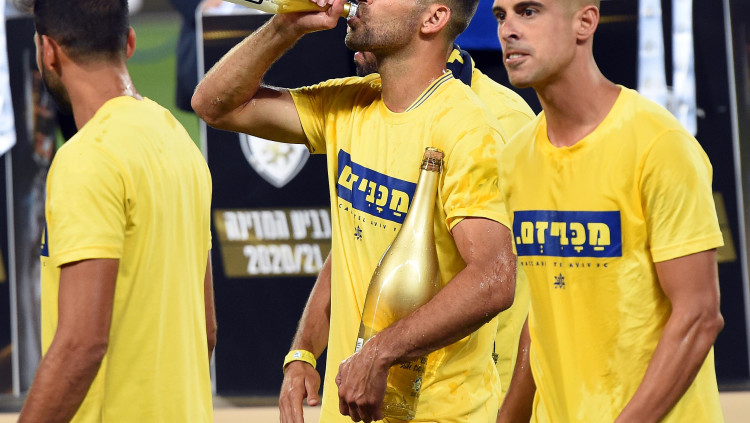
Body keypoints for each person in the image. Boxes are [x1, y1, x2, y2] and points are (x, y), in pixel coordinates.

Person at [191, 0, 518, 421]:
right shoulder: (349, 103)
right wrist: (286, 26)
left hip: (438, 413)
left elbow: (494, 279)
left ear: (434, 18)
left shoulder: (469, 130)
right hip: (348, 408)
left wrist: (380, 352)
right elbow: (215, 105)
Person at [493, 0, 725, 422]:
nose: (508, 29)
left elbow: (698, 317)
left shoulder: (659, 145)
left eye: (528, 11)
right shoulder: (514, 158)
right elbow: (545, 308)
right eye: (501, 15)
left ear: (585, 22)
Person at [18, 1, 215, 422]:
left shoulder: (87, 159)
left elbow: (81, 345)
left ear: (48, 52)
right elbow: (206, 329)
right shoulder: (180, 143)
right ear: (129, 42)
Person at [344, 45, 536, 414]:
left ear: (431, 20)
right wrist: (302, 351)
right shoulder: (375, 107)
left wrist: (513, 401)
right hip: (371, 379)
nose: (353, 16)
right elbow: (356, 238)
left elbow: (512, 274)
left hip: (475, 386)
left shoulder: (503, 119)